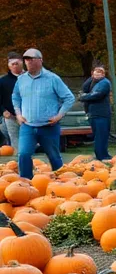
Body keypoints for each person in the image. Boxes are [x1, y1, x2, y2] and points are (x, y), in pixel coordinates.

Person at [11, 48, 74, 179]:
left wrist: (59, 116)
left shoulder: (52, 78)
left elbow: (69, 97)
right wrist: (18, 113)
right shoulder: (21, 80)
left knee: (54, 156)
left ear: (40, 60)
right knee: (23, 154)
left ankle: (63, 182)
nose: (28, 62)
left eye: (31, 59)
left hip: (48, 126)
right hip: (27, 126)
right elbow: (15, 97)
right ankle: (26, 183)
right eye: (26, 60)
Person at [79, 64, 112, 161]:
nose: (98, 73)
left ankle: (104, 155)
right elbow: (84, 88)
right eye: (96, 71)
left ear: (104, 74)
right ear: (92, 73)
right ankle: (101, 156)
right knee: (100, 135)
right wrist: (92, 78)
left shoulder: (104, 83)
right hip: (94, 114)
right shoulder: (93, 82)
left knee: (103, 134)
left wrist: (83, 97)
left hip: (102, 113)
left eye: (101, 71)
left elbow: (97, 95)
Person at [0, 52, 21, 149]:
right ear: (9, 66)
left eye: (17, 63)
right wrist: (3, 111)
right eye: (12, 64)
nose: (15, 66)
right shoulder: (3, 81)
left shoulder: (30, 78)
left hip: (29, 116)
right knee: (15, 142)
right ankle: (17, 162)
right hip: (11, 116)